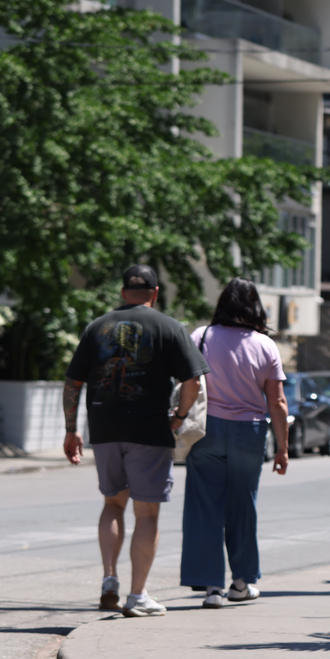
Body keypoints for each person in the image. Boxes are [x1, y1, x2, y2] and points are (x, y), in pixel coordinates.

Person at [63, 264, 209, 617]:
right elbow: (193, 384)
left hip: (105, 429)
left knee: (113, 505)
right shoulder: (171, 328)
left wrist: (71, 429)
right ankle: (137, 595)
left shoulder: (97, 327)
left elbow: (73, 384)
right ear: (155, 294)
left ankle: (109, 579)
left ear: (122, 292)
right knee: (147, 513)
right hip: (149, 431)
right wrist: (178, 418)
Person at [180, 278, 291, 608]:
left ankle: (212, 587)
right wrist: (283, 448)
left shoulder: (200, 336)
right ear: (255, 306)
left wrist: (177, 419)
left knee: (204, 506)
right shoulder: (266, 345)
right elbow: (278, 402)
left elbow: (186, 383)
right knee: (243, 506)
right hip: (249, 432)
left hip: (206, 430)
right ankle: (241, 582)